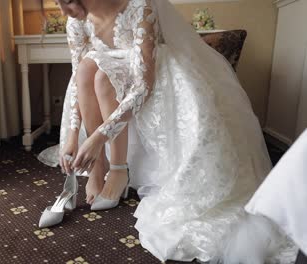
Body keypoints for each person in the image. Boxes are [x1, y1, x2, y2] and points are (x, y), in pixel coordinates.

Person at [38, 0, 297, 262]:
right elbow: (75, 76)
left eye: (67, 1)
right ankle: (98, 167)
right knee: (86, 69)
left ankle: (119, 170)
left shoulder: (139, 5)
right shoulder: (76, 21)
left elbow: (143, 86)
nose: (62, 12)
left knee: (102, 78)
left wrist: (98, 137)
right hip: (106, 67)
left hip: (148, 72)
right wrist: (72, 135)